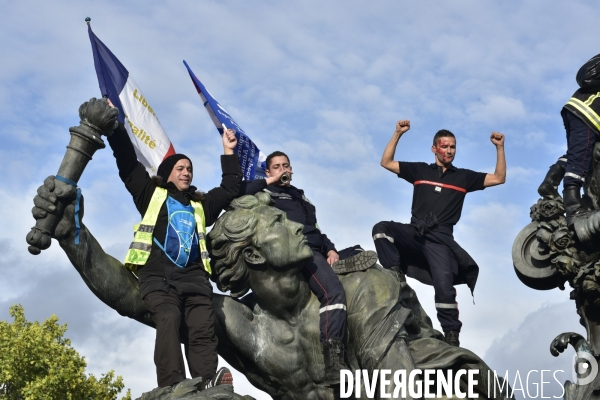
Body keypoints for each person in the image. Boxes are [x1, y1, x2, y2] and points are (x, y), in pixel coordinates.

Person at [106, 115, 242, 389]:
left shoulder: (200, 204)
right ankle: (175, 386)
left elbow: (230, 188)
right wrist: (116, 128)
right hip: (159, 280)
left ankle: (207, 385)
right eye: (180, 168)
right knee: (169, 319)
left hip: (195, 281)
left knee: (202, 330)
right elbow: (127, 164)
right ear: (167, 173)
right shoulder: (150, 194)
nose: (186, 172)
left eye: (189, 169)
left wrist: (228, 151)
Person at [238, 151, 377, 386]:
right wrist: (268, 182)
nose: (283, 170)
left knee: (359, 253)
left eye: (286, 166)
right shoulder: (263, 195)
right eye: (277, 167)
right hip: (299, 253)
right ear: (269, 171)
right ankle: (333, 361)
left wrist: (331, 249)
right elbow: (237, 193)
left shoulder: (301, 196)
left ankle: (343, 264)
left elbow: (316, 229)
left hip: (318, 247)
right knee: (333, 292)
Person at [372, 120, 506, 347]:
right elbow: (386, 162)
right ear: (434, 149)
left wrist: (499, 148)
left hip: (441, 240)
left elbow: (498, 178)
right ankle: (396, 276)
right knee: (381, 230)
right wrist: (397, 133)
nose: (449, 151)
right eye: (444, 147)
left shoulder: (463, 177)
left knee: (444, 285)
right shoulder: (420, 171)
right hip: (415, 233)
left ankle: (452, 334)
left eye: (452, 147)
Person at [537, 52, 600, 228]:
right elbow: (586, 77)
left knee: (579, 154)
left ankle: (551, 180)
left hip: (580, 112)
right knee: (581, 157)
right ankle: (573, 206)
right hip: (588, 113)